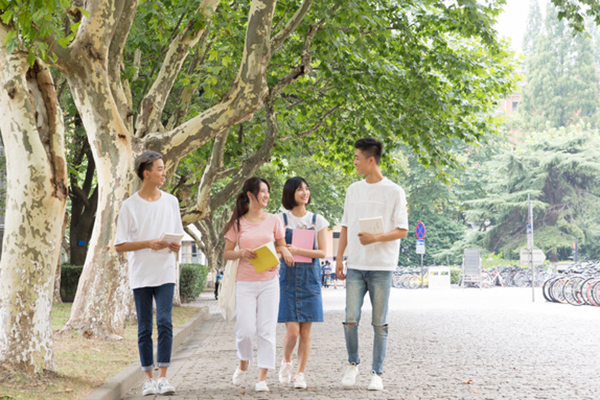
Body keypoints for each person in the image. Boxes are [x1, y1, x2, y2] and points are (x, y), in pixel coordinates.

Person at [335, 138, 408, 391]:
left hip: (381, 266)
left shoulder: (394, 191)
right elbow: (345, 226)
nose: (354, 161)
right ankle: (353, 364)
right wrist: (338, 258)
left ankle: (377, 373)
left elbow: (402, 230)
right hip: (355, 264)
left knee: (380, 323)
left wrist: (375, 238)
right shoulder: (353, 190)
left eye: (357, 157)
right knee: (350, 319)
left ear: (371, 160)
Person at [114, 151, 184, 396]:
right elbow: (119, 245)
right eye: (160, 169)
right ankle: (148, 379)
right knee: (144, 327)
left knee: (164, 322)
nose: (164, 173)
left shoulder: (171, 202)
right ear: (147, 173)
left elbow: (178, 236)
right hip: (141, 274)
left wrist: (175, 245)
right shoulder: (130, 205)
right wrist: (148, 243)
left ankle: (164, 377)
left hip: (165, 272)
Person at [223, 177, 292, 392]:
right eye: (262, 191)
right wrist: (241, 253)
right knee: (245, 330)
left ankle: (262, 378)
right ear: (250, 195)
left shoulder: (274, 220)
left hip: (269, 283)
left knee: (266, 331)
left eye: (268, 191)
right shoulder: (237, 223)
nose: (267, 195)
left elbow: (281, 247)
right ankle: (243, 362)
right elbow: (226, 253)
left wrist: (279, 257)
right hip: (244, 282)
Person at [277, 177, 329, 389]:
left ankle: (300, 373)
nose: (304, 193)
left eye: (307, 189)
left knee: (306, 332)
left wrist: (297, 250)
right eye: (300, 189)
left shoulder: (318, 220)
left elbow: (323, 252)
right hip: (288, 278)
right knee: (293, 331)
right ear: (290, 193)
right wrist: (284, 249)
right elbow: (274, 247)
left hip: (310, 279)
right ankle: (286, 361)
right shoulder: (280, 220)